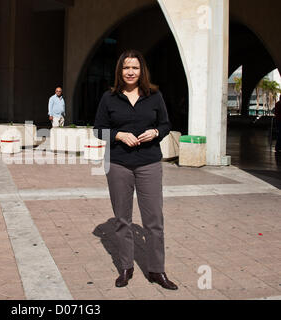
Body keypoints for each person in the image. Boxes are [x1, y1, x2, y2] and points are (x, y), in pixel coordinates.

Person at [94, 49, 178, 290]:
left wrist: (156, 132)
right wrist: (118, 135)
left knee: (154, 220)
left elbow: (165, 123)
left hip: (149, 162)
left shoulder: (154, 95)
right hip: (118, 163)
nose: (130, 72)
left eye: (135, 68)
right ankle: (126, 267)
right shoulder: (109, 97)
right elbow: (98, 129)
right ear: (120, 71)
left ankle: (156, 270)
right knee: (122, 220)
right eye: (126, 67)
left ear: (142, 71)